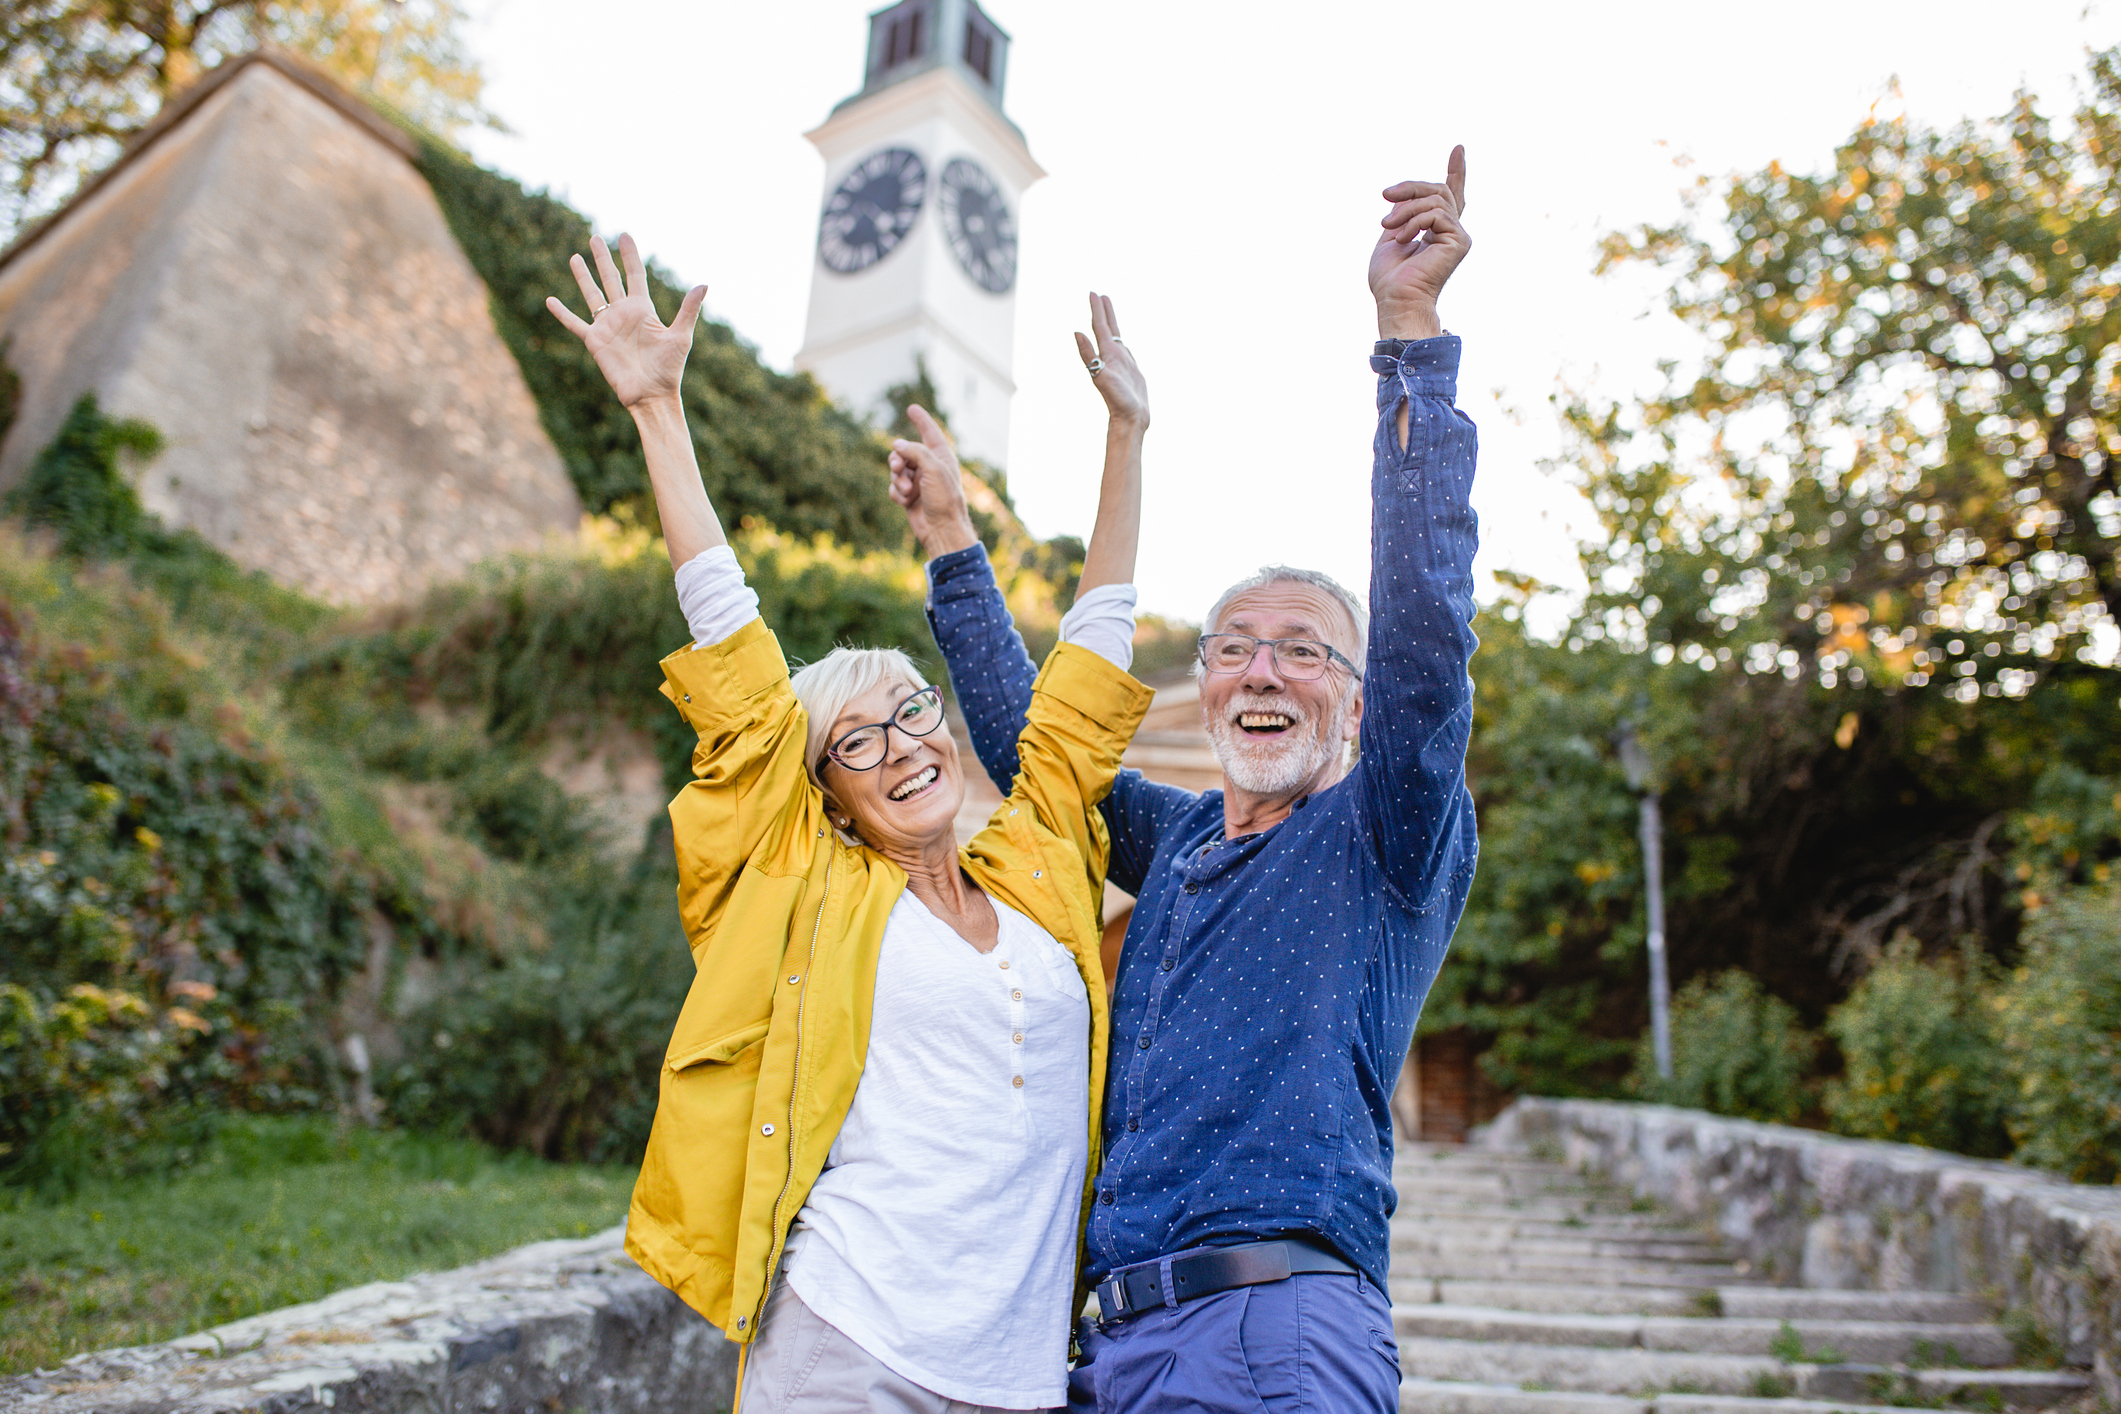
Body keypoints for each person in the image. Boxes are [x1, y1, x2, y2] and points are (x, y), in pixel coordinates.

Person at [885, 149, 1478, 1413]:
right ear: (1205, 684)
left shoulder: (1388, 833)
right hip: (1110, 1346)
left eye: (1305, 650)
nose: (1264, 669)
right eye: (1234, 648)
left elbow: (1427, 626)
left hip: (1276, 1328)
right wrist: (951, 543)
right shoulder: (1181, 840)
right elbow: (1041, 746)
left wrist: (1408, 334)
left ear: (1359, 706)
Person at [546, 238, 1156, 1412]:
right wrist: (657, 411)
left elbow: (1088, 676)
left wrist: (1127, 437)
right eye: (857, 740)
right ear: (824, 792)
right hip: (851, 1342)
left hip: (1024, 1373)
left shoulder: (1033, 870)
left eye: (911, 710)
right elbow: (736, 669)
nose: (905, 744)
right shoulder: (806, 885)